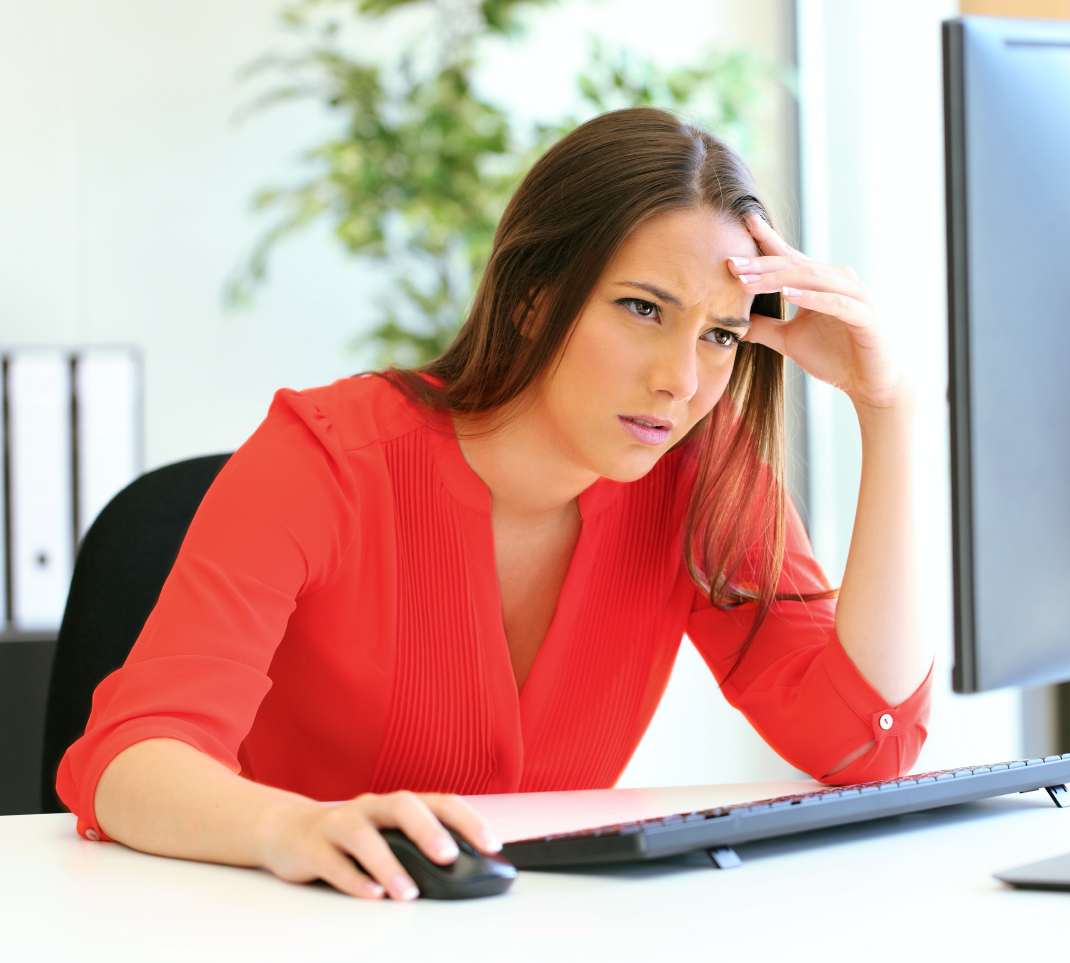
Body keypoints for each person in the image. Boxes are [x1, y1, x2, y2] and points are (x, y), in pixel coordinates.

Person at [57, 107, 932, 901]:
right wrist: (292, 826)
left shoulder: (697, 471)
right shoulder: (321, 456)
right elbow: (130, 760)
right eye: (641, 308)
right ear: (531, 298)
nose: (680, 379)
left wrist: (886, 409)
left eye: (719, 335)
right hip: (286, 926)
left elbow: (869, 740)